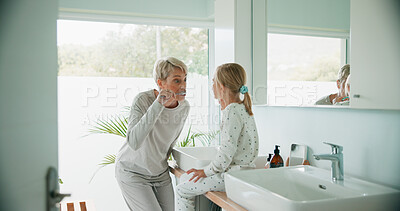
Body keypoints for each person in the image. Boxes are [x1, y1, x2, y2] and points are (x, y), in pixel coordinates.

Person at [175, 63, 259, 211]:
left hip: (234, 177)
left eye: (213, 81)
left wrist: (205, 171)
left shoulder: (231, 112)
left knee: (183, 189)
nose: (211, 85)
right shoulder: (243, 108)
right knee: (184, 179)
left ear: (221, 87)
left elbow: (226, 153)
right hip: (243, 174)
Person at [115, 57, 190, 211]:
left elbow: (170, 141)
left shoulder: (184, 107)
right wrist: (159, 104)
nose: (183, 86)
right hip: (132, 171)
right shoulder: (143, 100)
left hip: (160, 174)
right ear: (160, 83)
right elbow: (134, 141)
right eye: (177, 81)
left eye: (185, 80)